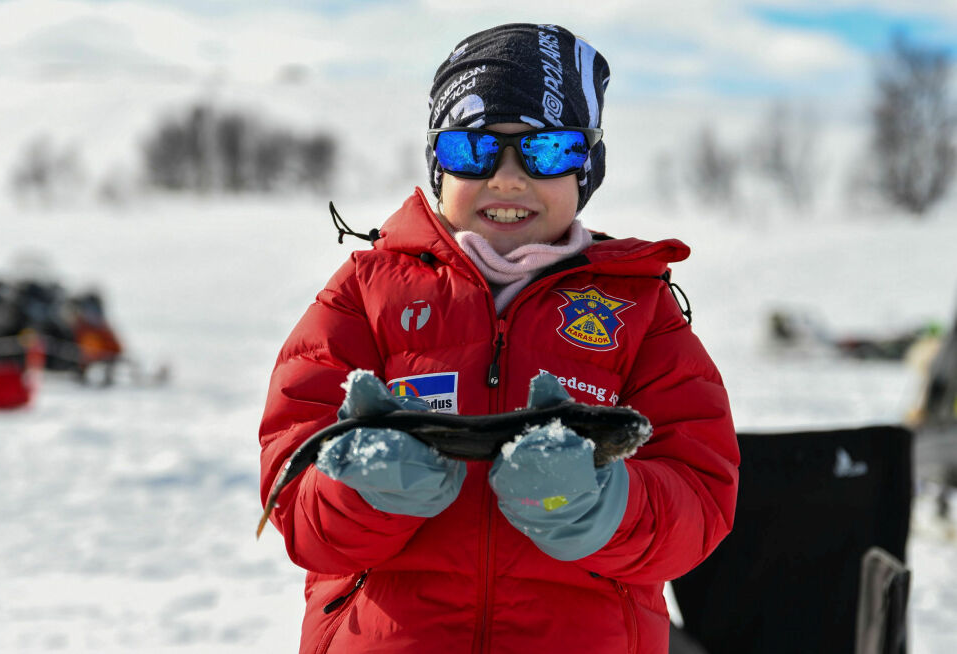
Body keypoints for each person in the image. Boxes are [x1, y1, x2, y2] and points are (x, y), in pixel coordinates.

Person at [259, 23, 739, 654]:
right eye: (472, 150)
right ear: (437, 163)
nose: (507, 179)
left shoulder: (640, 313)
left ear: (586, 168)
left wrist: (597, 504)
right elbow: (294, 506)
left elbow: (701, 499)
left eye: (546, 151)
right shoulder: (364, 295)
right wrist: (362, 490)